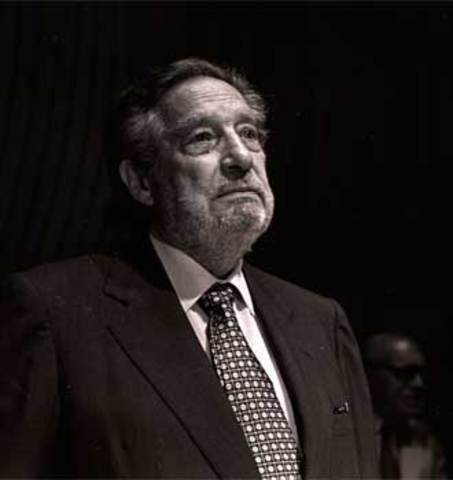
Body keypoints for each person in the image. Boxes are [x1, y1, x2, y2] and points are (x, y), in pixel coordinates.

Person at [0, 58, 378, 479]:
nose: (241, 157)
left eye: (249, 134)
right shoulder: (56, 312)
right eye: (202, 139)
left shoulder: (321, 322)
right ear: (141, 181)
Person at [364, 332, 446, 478]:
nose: (419, 384)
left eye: (422, 375)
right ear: (369, 375)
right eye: (406, 373)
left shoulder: (424, 440)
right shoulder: (346, 435)